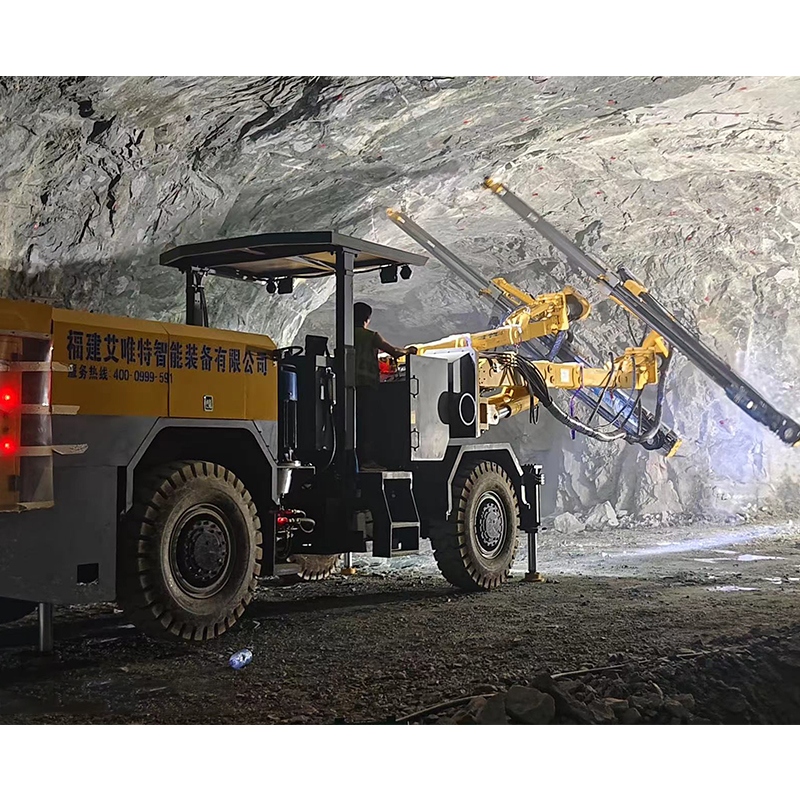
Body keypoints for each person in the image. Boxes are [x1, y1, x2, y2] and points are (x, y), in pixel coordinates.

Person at [353, 301, 417, 469]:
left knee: (355, 423)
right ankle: (367, 461)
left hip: (348, 387)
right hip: (367, 385)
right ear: (367, 320)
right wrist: (409, 351)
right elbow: (394, 352)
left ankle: (354, 459)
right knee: (368, 423)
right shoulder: (371, 336)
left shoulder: (346, 336)